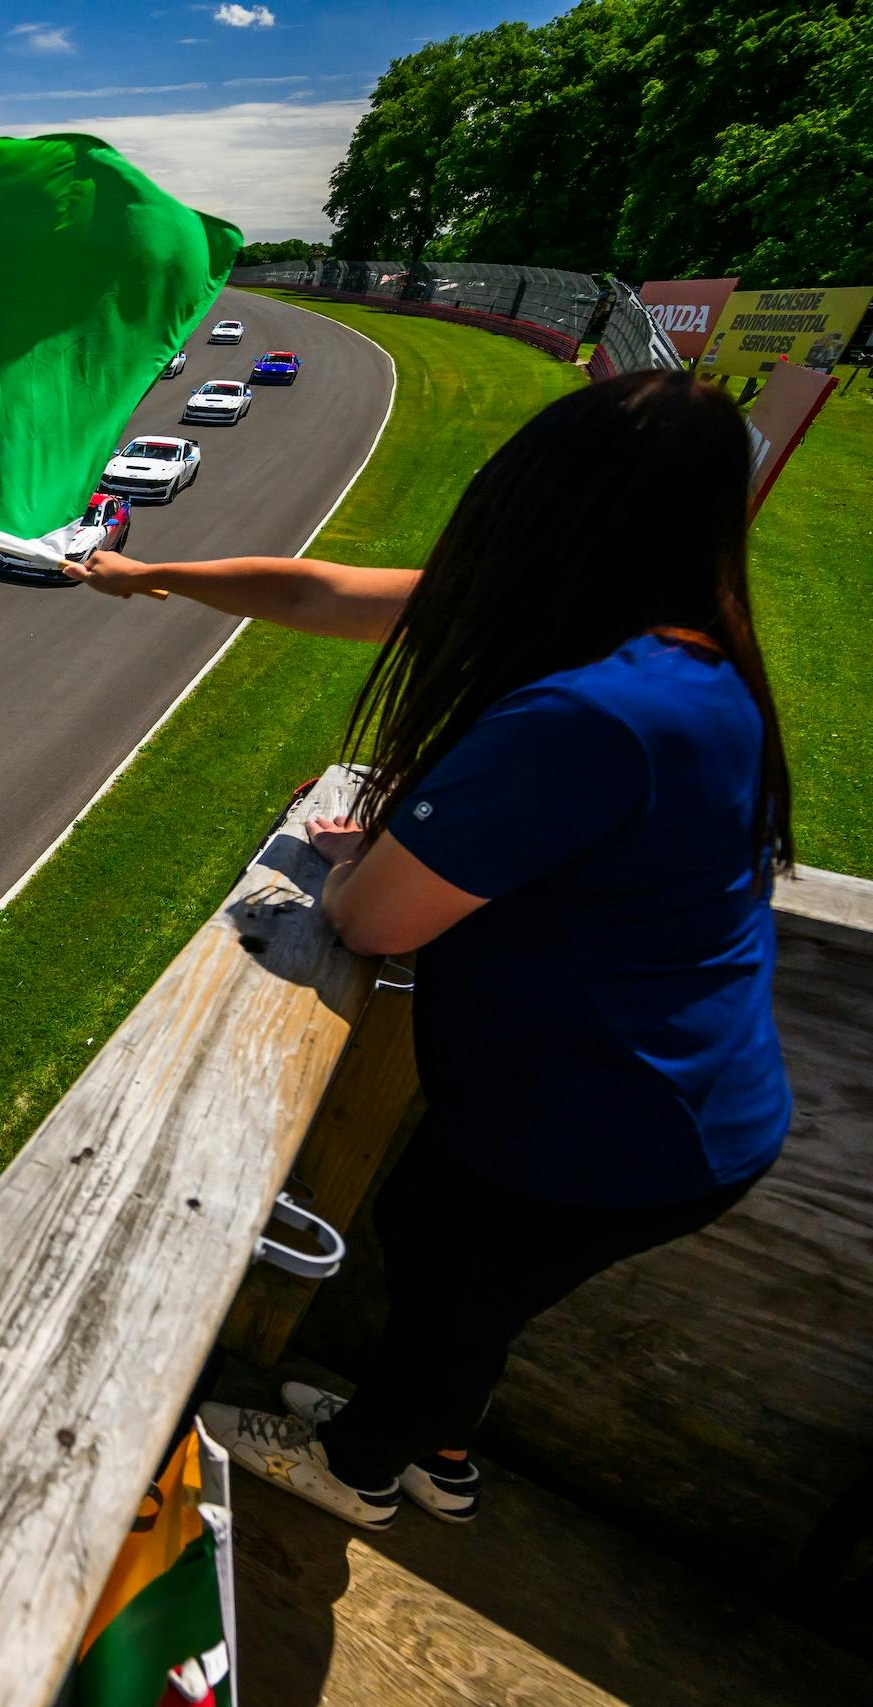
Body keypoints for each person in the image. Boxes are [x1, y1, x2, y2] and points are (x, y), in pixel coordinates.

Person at [68, 369, 793, 1531]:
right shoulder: (668, 657)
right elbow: (324, 591)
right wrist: (152, 572)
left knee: (451, 1279)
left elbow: (369, 921)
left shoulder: (591, 709)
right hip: (669, 1107)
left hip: (609, 1119)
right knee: (464, 1281)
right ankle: (438, 1452)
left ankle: (361, 1468)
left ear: (555, 511)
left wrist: (378, 856)